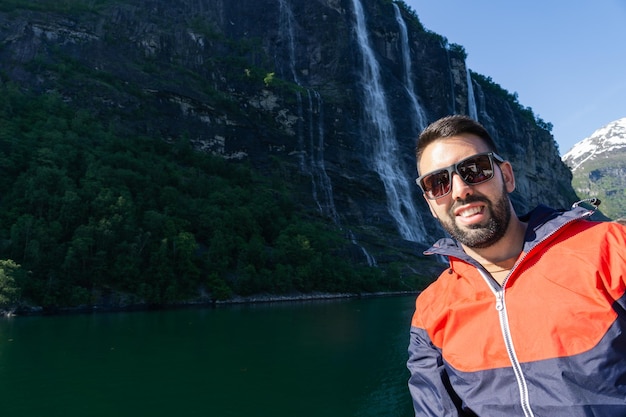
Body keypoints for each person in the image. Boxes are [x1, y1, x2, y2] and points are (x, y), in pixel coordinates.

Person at [407, 115, 626, 416]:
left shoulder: (612, 249)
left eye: (474, 169)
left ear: (507, 176)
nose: (459, 190)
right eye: (438, 182)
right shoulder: (430, 309)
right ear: (430, 203)